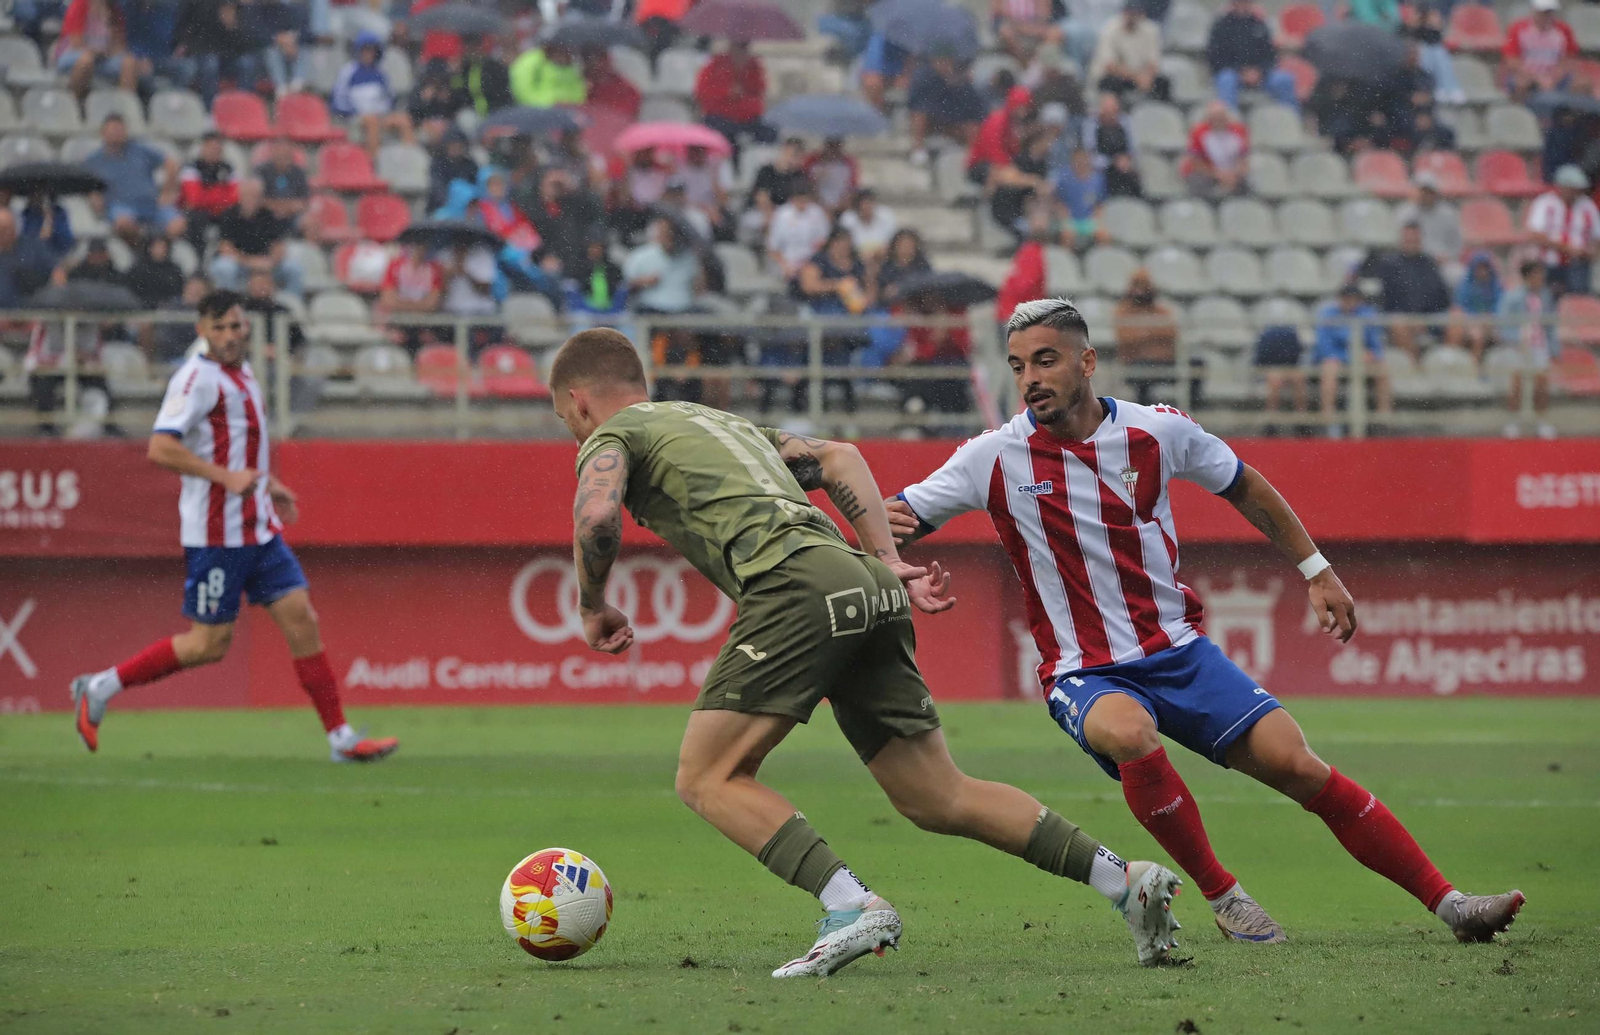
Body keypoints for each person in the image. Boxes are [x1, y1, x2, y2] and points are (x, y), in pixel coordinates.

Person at [884, 297, 1525, 947]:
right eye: (1018, 365)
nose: (1030, 378)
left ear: (1088, 360)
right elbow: (895, 516)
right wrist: (886, 560)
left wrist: (1317, 570)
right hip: (1083, 670)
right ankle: (1225, 896)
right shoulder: (994, 456)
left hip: (1180, 653)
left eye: (1045, 360)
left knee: (1299, 765)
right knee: (1131, 731)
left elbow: (1244, 483)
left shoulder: (1158, 432)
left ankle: (1452, 905)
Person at [549, 326, 1184, 975]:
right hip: (865, 579)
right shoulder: (720, 423)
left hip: (792, 580)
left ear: (577, 401)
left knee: (707, 775)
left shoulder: (611, 435)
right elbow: (843, 457)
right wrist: (888, 561)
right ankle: (1124, 880)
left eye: (567, 420)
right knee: (938, 794)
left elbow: (597, 518)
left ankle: (849, 904)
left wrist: (593, 605)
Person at [69, 289, 399, 763]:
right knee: (207, 645)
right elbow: (161, 448)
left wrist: (267, 484)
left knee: (303, 619)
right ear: (202, 330)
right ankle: (99, 687)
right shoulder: (195, 380)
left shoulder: (242, 372)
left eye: (234, 326)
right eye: (217, 327)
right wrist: (229, 479)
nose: (227, 335)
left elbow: (237, 448)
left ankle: (340, 739)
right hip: (217, 537)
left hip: (258, 528)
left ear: (246, 328)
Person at [82, 114, 186, 243]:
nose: (117, 133)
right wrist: (96, 199)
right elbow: (88, 185)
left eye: (120, 130)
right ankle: (144, 249)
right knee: (123, 223)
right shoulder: (94, 160)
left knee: (178, 224)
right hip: (120, 205)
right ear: (103, 132)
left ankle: (159, 250)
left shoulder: (140, 151)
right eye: (113, 130)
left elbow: (171, 163)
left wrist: (167, 192)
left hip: (152, 204)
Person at [1314, 283, 1392, 434]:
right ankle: (1328, 420)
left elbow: (1376, 344)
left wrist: (1372, 354)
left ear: (1359, 300)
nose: (1349, 302)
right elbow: (1324, 347)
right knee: (1329, 367)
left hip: (1362, 361)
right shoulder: (1328, 315)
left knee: (1382, 367)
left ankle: (1384, 420)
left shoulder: (1368, 314)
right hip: (1337, 360)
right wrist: (1352, 356)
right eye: (1346, 299)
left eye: (1353, 299)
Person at [210, 178, 304, 298]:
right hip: (240, 263)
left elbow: (278, 246)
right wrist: (249, 262)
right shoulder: (229, 215)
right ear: (240, 195)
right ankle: (229, 305)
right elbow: (225, 248)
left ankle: (292, 306)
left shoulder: (269, 216)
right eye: (248, 195)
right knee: (225, 268)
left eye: (256, 195)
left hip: (266, 264)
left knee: (293, 269)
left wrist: (271, 261)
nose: (252, 199)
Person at [1497, 259, 1558, 440]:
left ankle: (1541, 421)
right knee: (1517, 383)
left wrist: (1554, 349)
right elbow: (1503, 322)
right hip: (1519, 346)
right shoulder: (1513, 296)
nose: (1540, 278)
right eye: (1536, 274)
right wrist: (1514, 338)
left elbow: (1551, 325)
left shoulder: (1545, 296)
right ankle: (1513, 421)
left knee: (1541, 384)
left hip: (1540, 345)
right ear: (1527, 276)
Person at [1373, 222, 1452, 360]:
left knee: (1456, 319)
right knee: (1398, 323)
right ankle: (1415, 371)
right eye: (1408, 239)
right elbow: (1386, 300)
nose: (1411, 243)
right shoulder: (1389, 263)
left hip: (1428, 318)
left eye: (1414, 239)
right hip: (1400, 318)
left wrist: (1425, 319)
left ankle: (1447, 364)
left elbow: (1441, 297)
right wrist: (1411, 318)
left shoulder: (1429, 263)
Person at [331, 32, 415, 155]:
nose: (369, 54)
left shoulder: (380, 73)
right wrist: (354, 111)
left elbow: (389, 97)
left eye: (372, 51)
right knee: (372, 121)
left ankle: (409, 159)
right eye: (366, 50)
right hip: (357, 116)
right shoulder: (348, 71)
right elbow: (339, 99)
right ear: (359, 51)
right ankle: (373, 162)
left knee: (404, 119)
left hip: (380, 115)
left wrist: (384, 111)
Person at [1206, 0, 1298, 112]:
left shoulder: (1260, 25)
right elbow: (1216, 58)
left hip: (1260, 74)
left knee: (1284, 79)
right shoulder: (1220, 26)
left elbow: (1270, 56)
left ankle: (1291, 121)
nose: (1242, 5)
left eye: (1246, 2)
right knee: (1226, 80)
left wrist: (1260, 71)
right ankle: (1233, 123)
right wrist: (1240, 71)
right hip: (1233, 73)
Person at [906, 52, 991, 167]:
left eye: (946, 60)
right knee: (920, 115)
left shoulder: (964, 83)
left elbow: (976, 115)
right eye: (939, 60)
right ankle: (918, 149)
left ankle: (974, 159)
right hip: (933, 123)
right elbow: (916, 108)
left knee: (973, 128)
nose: (943, 64)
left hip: (954, 125)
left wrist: (954, 83)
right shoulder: (924, 78)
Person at [1526, 164, 1600, 296]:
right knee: (1549, 299)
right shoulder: (1545, 204)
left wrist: (1590, 251)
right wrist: (1567, 248)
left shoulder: (1588, 207)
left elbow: (1596, 236)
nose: (1576, 193)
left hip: (1579, 265)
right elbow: (1535, 235)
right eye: (1572, 188)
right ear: (1562, 187)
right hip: (1550, 264)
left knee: (1578, 299)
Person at [695, 41, 774, 159]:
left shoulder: (754, 67)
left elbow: (758, 95)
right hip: (720, 118)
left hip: (747, 120)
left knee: (769, 134)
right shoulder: (715, 65)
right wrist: (727, 92)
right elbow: (703, 92)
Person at [1111, 267, 1179, 404]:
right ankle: (1145, 415)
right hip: (1136, 362)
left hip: (1164, 362)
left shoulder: (1161, 310)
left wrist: (1144, 332)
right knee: (1143, 377)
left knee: (1196, 364)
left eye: (1145, 284)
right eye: (1137, 284)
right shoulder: (1123, 311)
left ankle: (1190, 409)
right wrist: (1154, 332)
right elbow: (1125, 337)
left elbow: (1172, 332)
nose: (1141, 289)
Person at [55, 0, 139, 97]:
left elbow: (119, 45)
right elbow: (76, 42)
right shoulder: (79, 4)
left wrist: (108, 52)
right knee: (86, 60)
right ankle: (74, 102)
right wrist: (95, 51)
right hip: (74, 54)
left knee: (130, 63)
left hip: (102, 58)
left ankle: (125, 105)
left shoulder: (114, 10)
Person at [1089, 1, 1169, 102]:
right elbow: (1109, 65)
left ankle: (1159, 114)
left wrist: (1146, 76)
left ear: (1141, 14)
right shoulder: (1110, 29)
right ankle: (1114, 112)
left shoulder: (1151, 29)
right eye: (1129, 12)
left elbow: (1153, 61)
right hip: (1117, 76)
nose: (1132, 16)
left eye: (1135, 13)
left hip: (1141, 76)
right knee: (1110, 83)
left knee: (1163, 82)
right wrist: (1136, 77)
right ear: (1123, 13)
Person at [1502, 0, 1577, 99]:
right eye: (1543, 12)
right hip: (1527, 74)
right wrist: (1537, 78)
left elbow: (1568, 59)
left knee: (1580, 84)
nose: (1546, 16)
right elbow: (1512, 60)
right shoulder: (1518, 28)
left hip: (1553, 76)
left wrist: (1553, 78)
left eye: (1549, 12)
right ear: (1534, 11)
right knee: (1521, 83)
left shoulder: (1563, 29)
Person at [178, 131, 240, 250]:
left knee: (236, 215)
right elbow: (195, 199)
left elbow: (234, 197)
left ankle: (228, 253)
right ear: (203, 148)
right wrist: (220, 193)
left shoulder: (228, 168)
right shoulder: (191, 168)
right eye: (211, 147)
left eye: (217, 148)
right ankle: (197, 258)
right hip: (198, 214)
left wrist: (209, 194)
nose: (214, 151)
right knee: (196, 218)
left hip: (221, 213)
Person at [765, 182, 832, 285]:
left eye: (805, 200)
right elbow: (773, 249)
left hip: (812, 262)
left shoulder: (817, 213)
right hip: (789, 262)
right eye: (799, 200)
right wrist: (785, 265)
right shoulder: (781, 215)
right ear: (792, 199)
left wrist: (811, 263)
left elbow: (825, 241)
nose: (802, 204)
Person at [1181, 100, 1249, 200]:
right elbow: (1196, 163)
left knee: (1246, 183)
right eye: (1214, 117)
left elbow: (1243, 159)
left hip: (1231, 171)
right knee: (1198, 181)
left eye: (1220, 116)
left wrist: (1234, 173)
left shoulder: (1238, 130)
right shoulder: (1199, 132)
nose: (1218, 120)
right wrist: (1219, 175)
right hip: (1207, 172)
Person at [1394, 173, 1462, 269]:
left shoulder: (1448, 214)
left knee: (1457, 274)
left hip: (1442, 262)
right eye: (1422, 191)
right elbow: (1399, 242)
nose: (1425, 195)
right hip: (1413, 261)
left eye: (1429, 192)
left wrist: (1448, 257)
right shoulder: (1404, 213)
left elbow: (1456, 243)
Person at [1083, 92, 1143, 197]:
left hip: (1124, 165)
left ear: (1118, 108)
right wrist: (1112, 161)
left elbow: (1133, 147)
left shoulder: (1126, 121)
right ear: (1100, 108)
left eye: (1112, 108)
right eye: (1106, 108)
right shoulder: (1091, 123)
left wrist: (1128, 160)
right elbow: (1089, 151)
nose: (1109, 112)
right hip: (1100, 167)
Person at [1447, 251, 1502, 364]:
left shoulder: (1495, 286)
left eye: (1485, 268)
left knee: (1479, 335)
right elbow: (1460, 306)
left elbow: (1499, 308)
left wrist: (1488, 317)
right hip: (1469, 323)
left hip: (1492, 324)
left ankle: (1475, 368)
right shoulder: (1465, 285)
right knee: (1461, 329)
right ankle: (1455, 363)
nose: (1482, 272)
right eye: (1479, 268)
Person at [0, 210, 62, 309]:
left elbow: (58, 273)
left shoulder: (33, 247)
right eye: (2, 229)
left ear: (15, 228)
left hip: (30, 312)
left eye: (8, 228)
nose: (4, 232)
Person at [1052, 146, 1107, 249]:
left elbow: (1100, 203)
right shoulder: (1064, 177)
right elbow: (1058, 201)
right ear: (1072, 160)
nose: (1081, 162)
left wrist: (1097, 216)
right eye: (1078, 159)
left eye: (1084, 158)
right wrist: (1064, 215)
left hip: (1089, 219)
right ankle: (1066, 262)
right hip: (1070, 219)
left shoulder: (1098, 179)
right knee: (1067, 235)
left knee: (1104, 235)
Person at [509, 41, 587, 108]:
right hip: (539, 111)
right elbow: (522, 88)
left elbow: (576, 87)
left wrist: (573, 102)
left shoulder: (569, 64)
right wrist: (547, 104)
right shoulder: (531, 61)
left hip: (568, 110)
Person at [255, 136, 311, 229]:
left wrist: (283, 208)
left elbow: (303, 202)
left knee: (310, 222)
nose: (283, 156)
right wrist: (282, 207)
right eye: (279, 152)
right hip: (266, 215)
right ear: (272, 152)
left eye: (286, 153)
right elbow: (257, 200)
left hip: (293, 217)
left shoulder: (299, 172)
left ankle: (307, 244)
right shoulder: (261, 171)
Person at [803, 138, 860, 217]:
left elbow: (852, 188)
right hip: (819, 207)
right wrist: (823, 206)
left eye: (836, 147)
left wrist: (839, 206)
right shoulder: (815, 166)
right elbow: (810, 188)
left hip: (841, 207)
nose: (833, 151)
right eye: (831, 147)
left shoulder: (847, 166)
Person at [840, 188, 898, 264]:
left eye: (869, 203)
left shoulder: (886, 215)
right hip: (855, 260)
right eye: (863, 204)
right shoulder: (847, 219)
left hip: (884, 259)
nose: (867, 207)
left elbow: (893, 241)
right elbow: (844, 244)